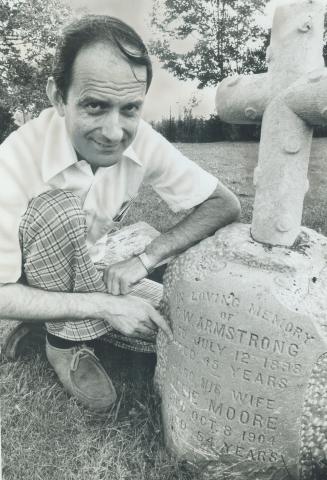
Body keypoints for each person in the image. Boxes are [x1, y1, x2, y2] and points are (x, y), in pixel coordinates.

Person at [0, 15, 240, 411]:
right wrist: (106, 306)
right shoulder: (14, 160)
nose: (114, 132)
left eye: (130, 108)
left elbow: (223, 203)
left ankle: (43, 322)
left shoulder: (141, 139)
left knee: (184, 325)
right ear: (58, 97)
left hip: (91, 263)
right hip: (25, 276)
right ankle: (64, 344)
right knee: (58, 209)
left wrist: (146, 259)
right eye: (95, 105)